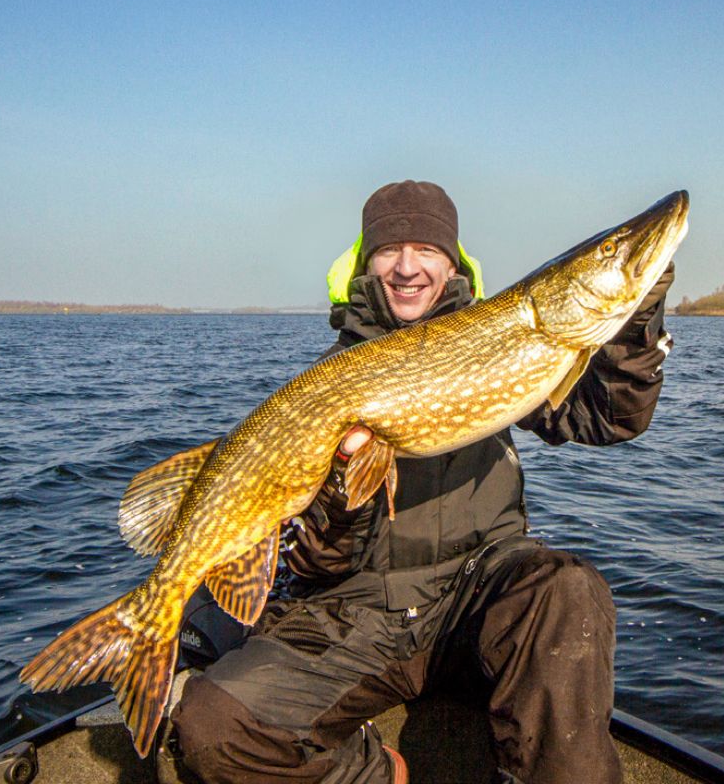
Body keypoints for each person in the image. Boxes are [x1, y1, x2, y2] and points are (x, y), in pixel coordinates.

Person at [171, 180, 675, 784]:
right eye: (390, 251)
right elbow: (316, 565)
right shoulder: (330, 381)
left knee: (566, 590)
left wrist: (636, 314)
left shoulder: (520, 339)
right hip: (358, 616)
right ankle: (377, 773)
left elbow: (611, 417)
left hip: (478, 596)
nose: (408, 268)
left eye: (428, 251)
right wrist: (341, 493)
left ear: (454, 263)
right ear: (366, 265)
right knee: (212, 725)